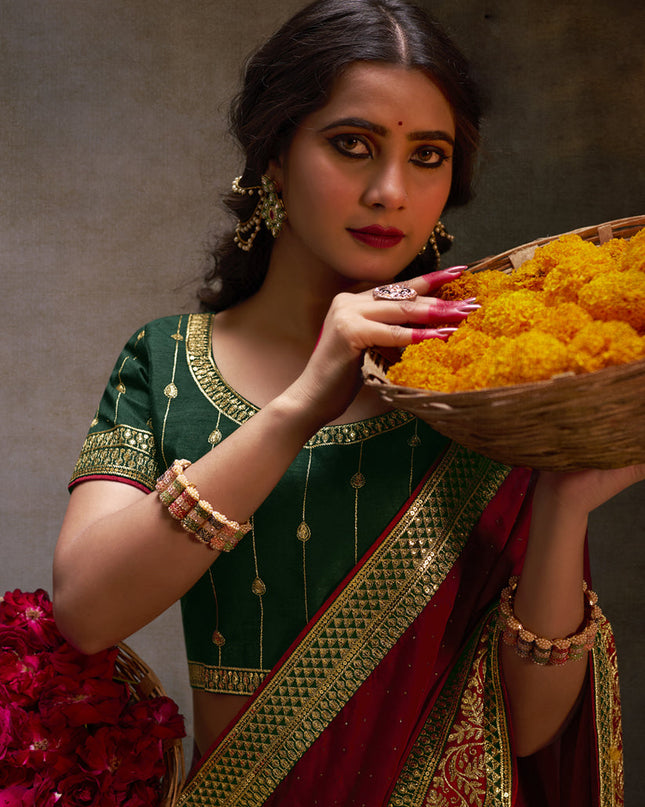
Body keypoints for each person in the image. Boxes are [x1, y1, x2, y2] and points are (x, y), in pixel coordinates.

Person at [52, 1, 644, 804]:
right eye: (351, 145)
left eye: (426, 155)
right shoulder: (166, 362)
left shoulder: (481, 387)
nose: (389, 190)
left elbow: (530, 730)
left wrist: (564, 507)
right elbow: (86, 613)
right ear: (273, 157)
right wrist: (301, 403)